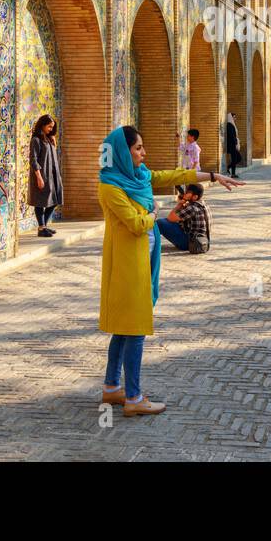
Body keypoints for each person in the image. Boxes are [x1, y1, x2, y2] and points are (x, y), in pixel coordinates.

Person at [98, 126, 243, 416]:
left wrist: (214, 176)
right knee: (135, 329)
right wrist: (153, 213)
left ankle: (113, 388)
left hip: (143, 261)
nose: (144, 153)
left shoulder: (138, 177)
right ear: (122, 152)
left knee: (123, 330)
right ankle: (134, 399)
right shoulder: (110, 186)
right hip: (127, 268)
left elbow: (177, 175)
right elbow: (136, 224)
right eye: (138, 148)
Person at [29, 114, 63, 237]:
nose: (50, 129)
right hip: (42, 175)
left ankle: (44, 226)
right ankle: (41, 227)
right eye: (49, 127)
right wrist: (39, 177)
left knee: (55, 199)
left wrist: (53, 142)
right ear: (42, 125)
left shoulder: (48, 139)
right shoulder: (36, 140)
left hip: (52, 175)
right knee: (40, 201)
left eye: (52, 127)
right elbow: (33, 160)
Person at [156, 183, 211, 253]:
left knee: (161, 223)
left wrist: (179, 204)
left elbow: (170, 218)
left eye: (188, 193)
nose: (185, 194)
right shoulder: (203, 205)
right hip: (202, 241)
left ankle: (152, 245)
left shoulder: (192, 208)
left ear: (195, 197)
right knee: (170, 222)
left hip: (190, 243)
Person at [224, 112, 243, 178]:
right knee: (236, 159)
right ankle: (233, 174)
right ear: (230, 117)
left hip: (233, 145)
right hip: (232, 145)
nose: (235, 118)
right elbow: (231, 136)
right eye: (234, 117)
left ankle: (228, 168)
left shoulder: (232, 124)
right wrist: (235, 143)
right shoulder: (229, 125)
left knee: (238, 158)